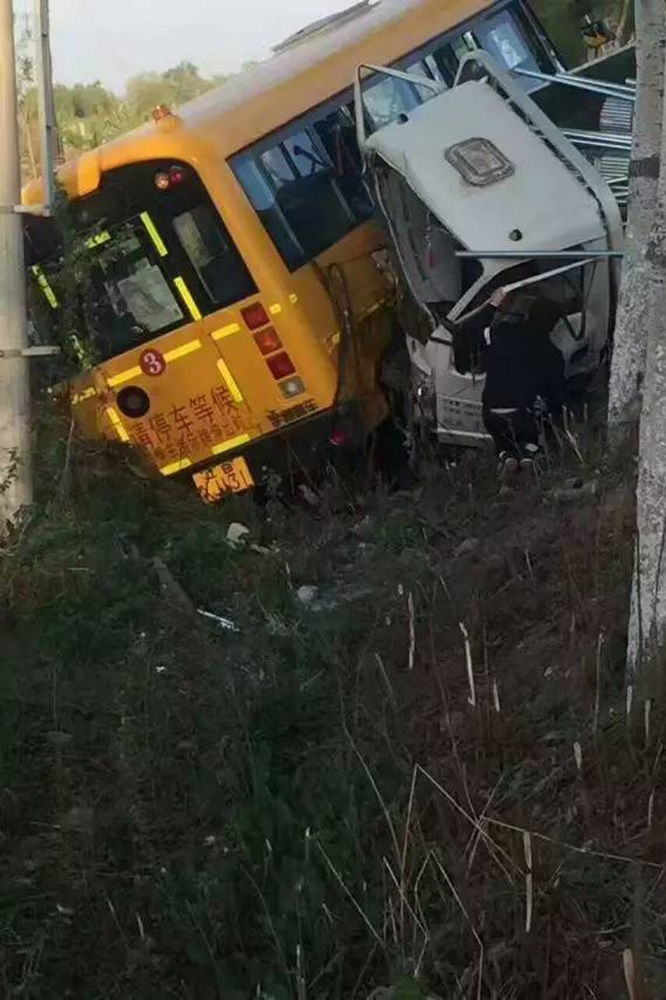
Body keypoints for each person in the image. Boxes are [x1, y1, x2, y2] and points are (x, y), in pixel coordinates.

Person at [452, 285, 566, 473]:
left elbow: (470, 330)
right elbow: (555, 395)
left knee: (505, 441)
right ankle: (529, 452)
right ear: (553, 324)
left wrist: (493, 305)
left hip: (492, 413)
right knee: (532, 428)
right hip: (522, 415)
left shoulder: (500, 333)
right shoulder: (551, 353)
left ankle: (507, 455)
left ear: (529, 314)